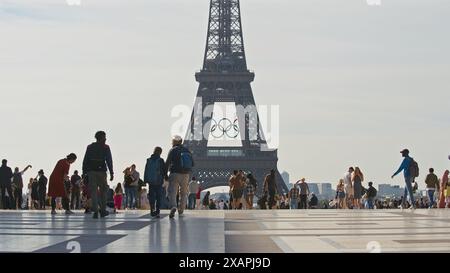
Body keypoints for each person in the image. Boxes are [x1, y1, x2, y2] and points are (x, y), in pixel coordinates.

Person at [82, 131, 114, 219]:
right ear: (101, 138)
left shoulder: (90, 147)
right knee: (103, 192)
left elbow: (85, 160)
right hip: (102, 172)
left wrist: (84, 172)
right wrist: (111, 172)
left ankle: (95, 211)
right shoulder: (106, 147)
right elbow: (109, 160)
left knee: (93, 192)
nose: (106, 139)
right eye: (105, 137)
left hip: (91, 172)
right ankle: (103, 210)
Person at [165, 135, 194, 219]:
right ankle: (181, 209)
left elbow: (167, 163)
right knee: (184, 193)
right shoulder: (187, 150)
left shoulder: (172, 150)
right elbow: (192, 163)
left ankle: (173, 206)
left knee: (172, 192)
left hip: (174, 173)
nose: (171, 143)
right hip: (185, 174)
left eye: (172, 141)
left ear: (175, 142)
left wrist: (165, 174)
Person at [144, 147, 167, 218]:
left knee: (152, 196)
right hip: (158, 181)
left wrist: (145, 180)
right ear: (160, 152)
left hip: (151, 181)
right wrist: (166, 177)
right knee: (158, 197)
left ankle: (152, 210)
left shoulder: (148, 160)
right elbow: (164, 170)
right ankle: (157, 211)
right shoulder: (161, 160)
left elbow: (146, 170)